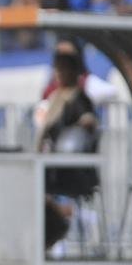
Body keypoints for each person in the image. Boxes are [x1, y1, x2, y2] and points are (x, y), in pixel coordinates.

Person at [37, 50, 99, 252]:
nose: (59, 73)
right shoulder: (55, 97)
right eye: (57, 69)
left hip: (71, 171)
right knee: (33, 189)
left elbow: (87, 121)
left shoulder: (79, 98)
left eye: (63, 68)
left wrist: (85, 124)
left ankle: (60, 225)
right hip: (51, 167)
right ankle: (52, 230)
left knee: (42, 191)